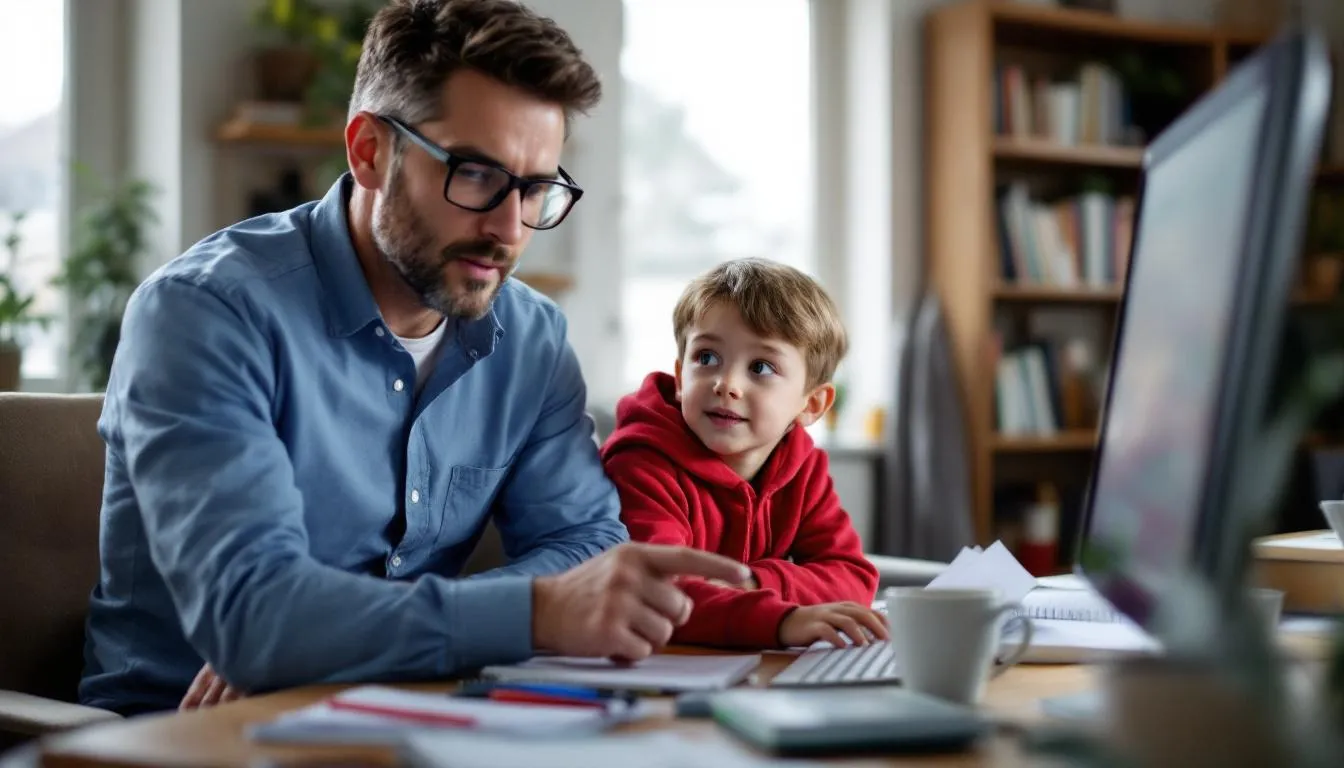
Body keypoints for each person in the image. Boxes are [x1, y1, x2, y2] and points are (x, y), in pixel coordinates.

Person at [78, 0, 751, 716]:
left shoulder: (531, 338)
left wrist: (332, 638)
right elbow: (255, 618)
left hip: (413, 709)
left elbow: (585, 543)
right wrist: (528, 613)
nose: (508, 228)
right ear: (370, 151)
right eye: (476, 175)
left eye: (534, 189)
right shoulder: (206, 313)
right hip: (178, 733)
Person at [600, 258, 888, 650]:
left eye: (761, 367)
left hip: (751, 666)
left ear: (813, 404)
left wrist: (752, 581)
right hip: (662, 671)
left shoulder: (804, 468)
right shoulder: (641, 464)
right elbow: (658, 594)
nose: (726, 384)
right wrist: (785, 619)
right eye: (706, 358)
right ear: (681, 376)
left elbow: (853, 577)